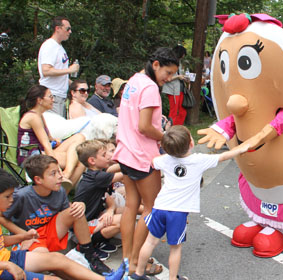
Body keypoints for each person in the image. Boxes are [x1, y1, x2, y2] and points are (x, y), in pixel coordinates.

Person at [131, 126, 249, 280]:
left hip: (159, 207)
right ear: (191, 143)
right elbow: (224, 156)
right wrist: (242, 148)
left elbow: (152, 162)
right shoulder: (199, 160)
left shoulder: (164, 160)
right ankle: (173, 278)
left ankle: (138, 273)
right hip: (177, 213)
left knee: (150, 242)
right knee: (175, 247)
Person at [112, 47, 179, 276]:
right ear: (156, 64)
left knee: (132, 205)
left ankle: (126, 259)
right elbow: (144, 126)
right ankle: (135, 261)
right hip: (142, 156)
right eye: (167, 73)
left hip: (124, 153)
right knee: (151, 208)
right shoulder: (150, 88)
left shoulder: (134, 80)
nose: (168, 79)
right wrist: (169, 137)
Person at [0, 155, 114, 275]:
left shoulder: (59, 192)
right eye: (53, 173)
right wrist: (23, 235)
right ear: (38, 180)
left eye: (59, 171)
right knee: (47, 258)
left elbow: (68, 213)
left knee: (76, 210)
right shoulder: (20, 196)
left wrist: (81, 205)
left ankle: (90, 255)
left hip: (49, 231)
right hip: (30, 238)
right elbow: (2, 218)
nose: (60, 176)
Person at [18, 84, 85, 191]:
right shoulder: (33, 117)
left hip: (41, 151)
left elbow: (49, 139)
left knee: (79, 137)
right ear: (39, 100)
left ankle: (65, 178)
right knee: (80, 161)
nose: (53, 100)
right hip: (32, 157)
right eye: (50, 97)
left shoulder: (40, 115)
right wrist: (57, 168)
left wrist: (57, 142)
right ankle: (63, 182)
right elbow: (45, 144)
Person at [74, 140, 124, 261]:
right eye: (103, 155)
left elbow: (108, 198)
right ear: (92, 161)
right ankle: (87, 245)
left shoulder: (97, 173)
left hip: (94, 218)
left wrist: (110, 210)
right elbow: (124, 173)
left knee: (125, 212)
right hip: (83, 227)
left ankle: (101, 241)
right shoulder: (97, 177)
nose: (108, 156)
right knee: (124, 219)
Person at [38, 16, 79, 117]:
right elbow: (46, 71)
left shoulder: (59, 47)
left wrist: (76, 86)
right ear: (57, 28)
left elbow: (60, 75)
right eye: (67, 29)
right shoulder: (49, 46)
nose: (70, 32)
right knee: (53, 130)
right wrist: (69, 70)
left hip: (60, 98)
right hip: (51, 96)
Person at [161, 45, 188, 125]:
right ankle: (171, 127)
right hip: (172, 89)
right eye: (183, 54)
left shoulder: (178, 62)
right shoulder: (170, 62)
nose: (183, 56)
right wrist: (178, 77)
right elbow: (167, 78)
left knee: (182, 109)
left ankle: (179, 126)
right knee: (174, 110)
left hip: (180, 88)